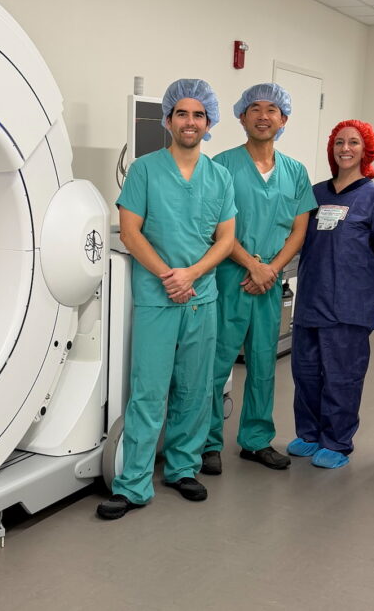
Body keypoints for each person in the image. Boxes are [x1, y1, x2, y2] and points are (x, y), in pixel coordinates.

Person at [97, 79, 237, 520]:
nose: (190, 122)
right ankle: (134, 484)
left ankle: (182, 468)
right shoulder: (144, 170)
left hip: (202, 296)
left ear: (209, 122)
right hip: (158, 297)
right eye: (182, 114)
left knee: (195, 389)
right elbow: (131, 230)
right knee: (149, 391)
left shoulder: (220, 176)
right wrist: (167, 275)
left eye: (198, 115)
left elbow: (227, 238)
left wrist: (192, 273)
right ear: (168, 120)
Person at [200, 83, 314, 475]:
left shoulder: (296, 172)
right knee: (217, 366)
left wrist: (271, 270)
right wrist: (252, 265)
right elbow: (215, 226)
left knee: (265, 366)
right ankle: (208, 442)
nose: (264, 116)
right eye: (255, 109)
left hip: (269, 283)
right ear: (241, 116)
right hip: (229, 278)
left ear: (284, 119)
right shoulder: (220, 165)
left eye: (272, 110)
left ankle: (256, 439)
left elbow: (299, 231)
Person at [289, 120, 374, 469]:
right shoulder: (316, 194)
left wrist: (367, 298)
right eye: (340, 142)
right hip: (310, 299)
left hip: (350, 307)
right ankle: (309, 434)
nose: (346, 149)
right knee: (306, 372)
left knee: (341, 376)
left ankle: (336, 441)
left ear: (366, 150)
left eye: (354, 142)